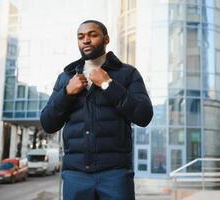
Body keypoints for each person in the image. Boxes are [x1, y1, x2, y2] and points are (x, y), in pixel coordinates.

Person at [40, 20, 153, 200]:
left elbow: (144, 116)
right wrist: (67, 93)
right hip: (75, 176)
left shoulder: (128, 73)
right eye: (81, 37)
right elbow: (48, 123)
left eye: (92, 35)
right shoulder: (66, 78)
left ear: (106, 38)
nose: (86, 40)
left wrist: (108, 85)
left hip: (116, 174)